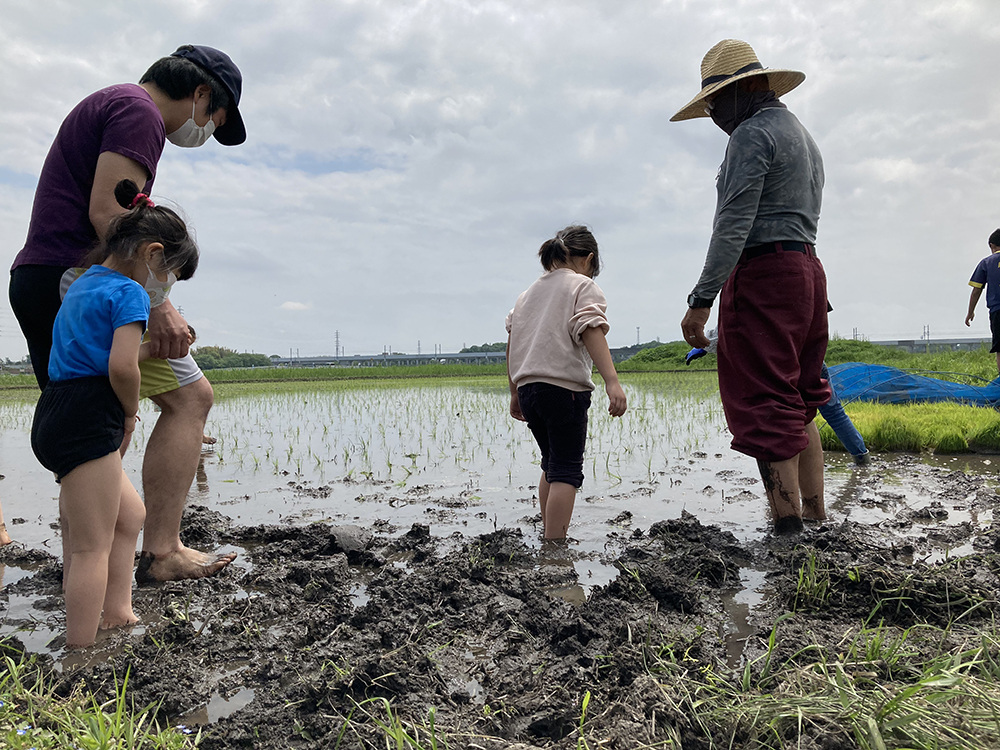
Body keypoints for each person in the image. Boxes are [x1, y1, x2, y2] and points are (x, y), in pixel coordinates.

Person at [9, 45, 245, 582]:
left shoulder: (113, 103)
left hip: (43, 278)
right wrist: (159, 304)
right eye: (214, 118)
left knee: (84, 430)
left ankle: (88, 567)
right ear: (201, 94)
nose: (206, 129)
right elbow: (112, 215)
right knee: (190, 399)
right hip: (79, 279)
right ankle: (160, 552)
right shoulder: (138, 111)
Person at [31, 180, 198, 647]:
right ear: (152, 254)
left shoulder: (83, 283)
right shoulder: (130, 294)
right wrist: (128, 413)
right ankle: (79, 652)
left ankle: (119, 612)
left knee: (129, 516)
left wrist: (148, 352)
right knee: (89, 547)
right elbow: (121, 368)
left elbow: (105, 355)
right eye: (171, 274)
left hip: (57, 411)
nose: (165, 287)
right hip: (90, 416)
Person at [675, 40, 829, 534]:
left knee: (766, 401)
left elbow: (733, 224)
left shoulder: (751, 133)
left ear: (743, 90)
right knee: (800, 396)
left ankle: (787, 531)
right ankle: (814, 514)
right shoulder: (801, 135)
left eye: (716, 103)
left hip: (763, 275)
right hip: (806, 271)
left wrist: (701, 301)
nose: (716, 115)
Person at [506, 226, 627, 540]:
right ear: (587, 260)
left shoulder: (525, 296)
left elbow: (513, 341)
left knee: (551, 464)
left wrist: (514, 392)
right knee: (566, 470)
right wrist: (612, 382)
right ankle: (555, 544)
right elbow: (591, 330)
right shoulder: (581, 286)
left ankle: (548, 533)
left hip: (529, 389)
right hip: (564, 390)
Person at [818, 364, 869, 465]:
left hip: (790, 363)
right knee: (835, 414)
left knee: (800, 418)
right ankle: (862, 460)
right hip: (816, 362)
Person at [965, 228, 1000, 376]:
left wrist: (970, 312)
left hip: (997, 310)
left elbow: (976, 290)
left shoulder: (986, 263)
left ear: (992, 245)